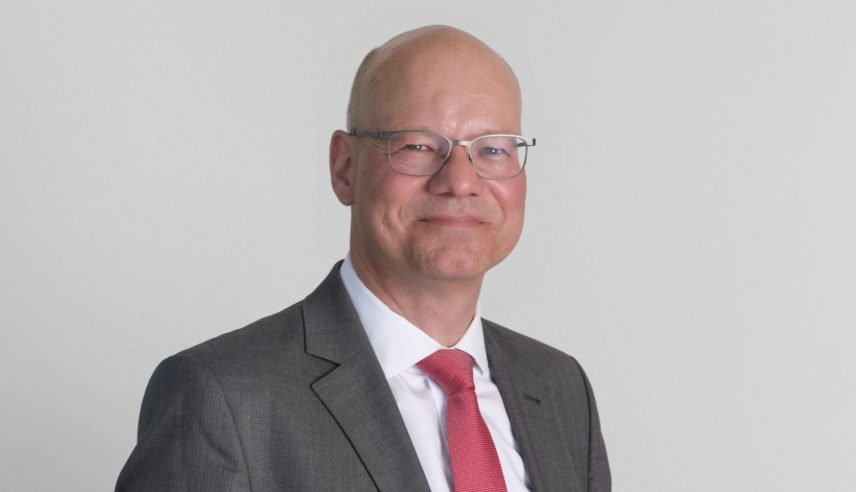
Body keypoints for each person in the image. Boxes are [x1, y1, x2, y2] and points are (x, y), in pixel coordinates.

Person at [116, 25, 610, 492]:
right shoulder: (222, 397)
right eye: (417, 145)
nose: (460, 182)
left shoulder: (561, 388)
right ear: (345, 167)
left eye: (494, 150)